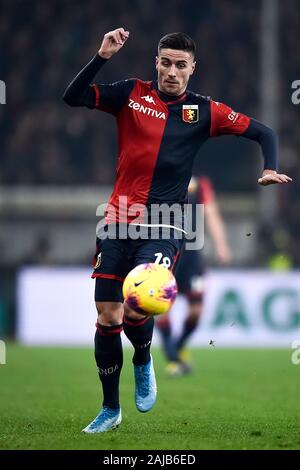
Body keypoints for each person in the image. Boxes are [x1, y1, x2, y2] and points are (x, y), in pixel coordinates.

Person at [63, 27, 292, 433]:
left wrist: (269, 167)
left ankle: (144, 357)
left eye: (180, 65)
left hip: (167, 221)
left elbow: (264, 132)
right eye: (165, 63)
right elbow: (73, 97)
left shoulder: (204, 111)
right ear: (156, 62)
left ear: (192, 69)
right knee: (108, 315)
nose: (172, 71)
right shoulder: (130, 93)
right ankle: (110, 408)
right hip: (118, 219)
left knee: (139, 300)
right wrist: (101, 57)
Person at [156, 175, 231, 375]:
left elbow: (212, 214)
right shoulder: (161, 180)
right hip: (167, 253)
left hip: (192, 258)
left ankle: (177, 347)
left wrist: (221, 245)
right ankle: (172, 357)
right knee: (162, 307)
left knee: (196, 311)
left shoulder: (201, 185)